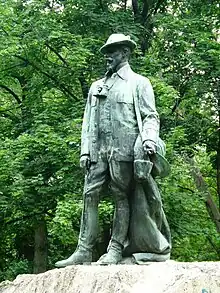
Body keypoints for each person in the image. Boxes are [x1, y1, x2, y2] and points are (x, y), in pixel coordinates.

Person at [55, 34, 171, 267]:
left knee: (121, 197)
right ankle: (83, 250)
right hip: (98, 152)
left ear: (125, 53)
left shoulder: (139, 83)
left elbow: (150, 116)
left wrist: (148, 140)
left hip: (125, 151)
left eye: (112, 51)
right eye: (106, 52)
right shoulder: (96, 86)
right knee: (90, 195)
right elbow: (89, 121)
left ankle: (116, 249)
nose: (107, 56)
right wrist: (85, 151)